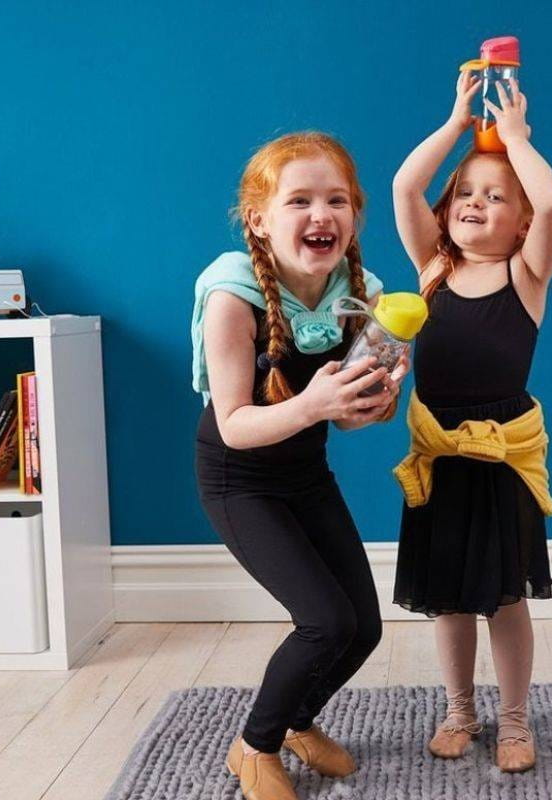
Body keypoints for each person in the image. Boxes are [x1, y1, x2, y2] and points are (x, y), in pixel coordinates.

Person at [192, 132, 408, 800]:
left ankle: (297, 722)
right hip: (238, 479)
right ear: (260, 220)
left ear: (355, 216)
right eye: (300, 200)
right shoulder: (233, 297)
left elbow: (344, 420)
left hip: (305, 475)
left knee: (363, 628)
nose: (322, 214)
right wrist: (316, 403)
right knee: (325, 622)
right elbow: (234, 425)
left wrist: (374, 401)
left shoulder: (359, 295)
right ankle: (255, 746)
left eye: (337, 200)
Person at [391, 71, 552, 772]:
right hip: (441, 459)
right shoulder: (432, 266)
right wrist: (457, 126)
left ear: (520, 225)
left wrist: (515, 139)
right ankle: (460, 709)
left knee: (506, 598)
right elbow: (405, 186)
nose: (474, 202)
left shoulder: (527, 275)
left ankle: (516, 719)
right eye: (465, 191)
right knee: (448, 600)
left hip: (502, 461)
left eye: (496, 197)